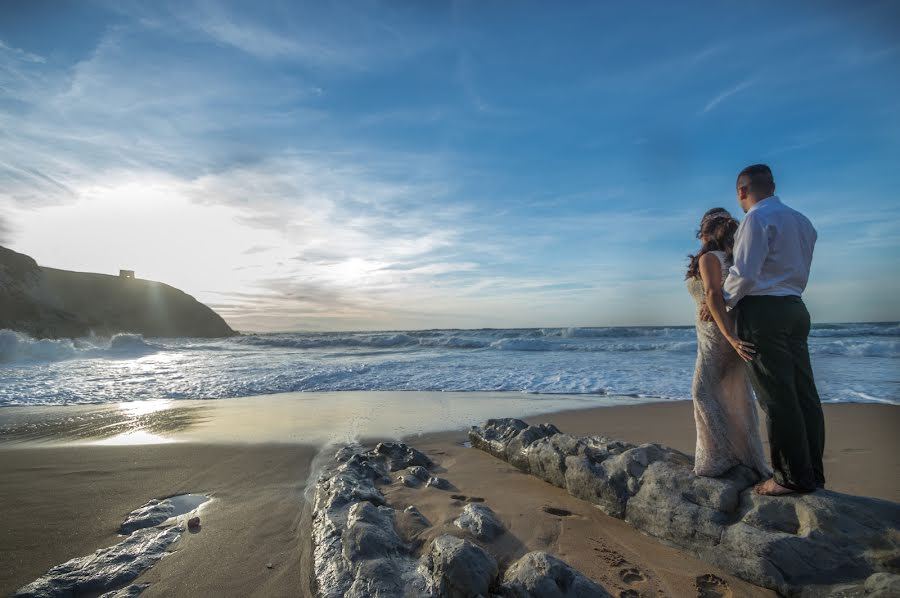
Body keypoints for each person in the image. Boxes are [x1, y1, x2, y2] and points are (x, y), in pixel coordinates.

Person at [723, 164, 824, 496]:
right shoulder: (802, 221)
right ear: (773, 185)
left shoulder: (756, 218)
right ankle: (812, 473)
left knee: (777, 397)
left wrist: (722, 301)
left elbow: (746, 272)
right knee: (803, 393)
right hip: (796, 307)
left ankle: (790, 477)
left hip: (764, 310)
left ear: (742, 191)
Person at [685, 208, 771, 479]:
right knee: (734, 393)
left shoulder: (710, 258)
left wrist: (716, 304)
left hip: (718, 333)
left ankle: (717, 458)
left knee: (703, 391)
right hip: (725, 329)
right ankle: (742, 455)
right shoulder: (737, 260)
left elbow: (712, 293)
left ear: (706, 233)